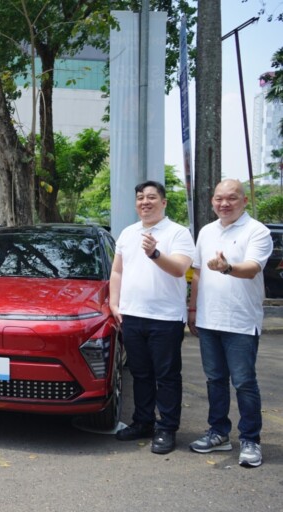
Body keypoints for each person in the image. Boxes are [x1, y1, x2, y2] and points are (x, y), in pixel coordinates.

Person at [187, 179, 273, 468]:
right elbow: (197, 272)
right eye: (219, 198)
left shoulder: (256, 231)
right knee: (215, 381)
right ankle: (219, 433)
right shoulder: (207, 231)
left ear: (244, 201)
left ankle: (250, 439)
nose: (225, 203)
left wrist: (228, 268)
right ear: (212, 201)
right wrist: (193, 308)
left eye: (232, 198)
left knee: (244, 382)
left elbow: (252, 269)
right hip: (210, 320)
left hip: (241, 321)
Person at [110, 180, 195, 454]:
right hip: (132, 315)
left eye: (151, 197)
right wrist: (114, 302)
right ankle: (142, 422)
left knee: (167, 375)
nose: (144, 202)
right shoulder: (127, 232)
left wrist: (155, 254)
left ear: (164, 202)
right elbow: (117, 271)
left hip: (166, 318)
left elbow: (180, 269)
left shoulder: (178, 232)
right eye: (140, 198)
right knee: (140, 373)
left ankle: (167, 428)